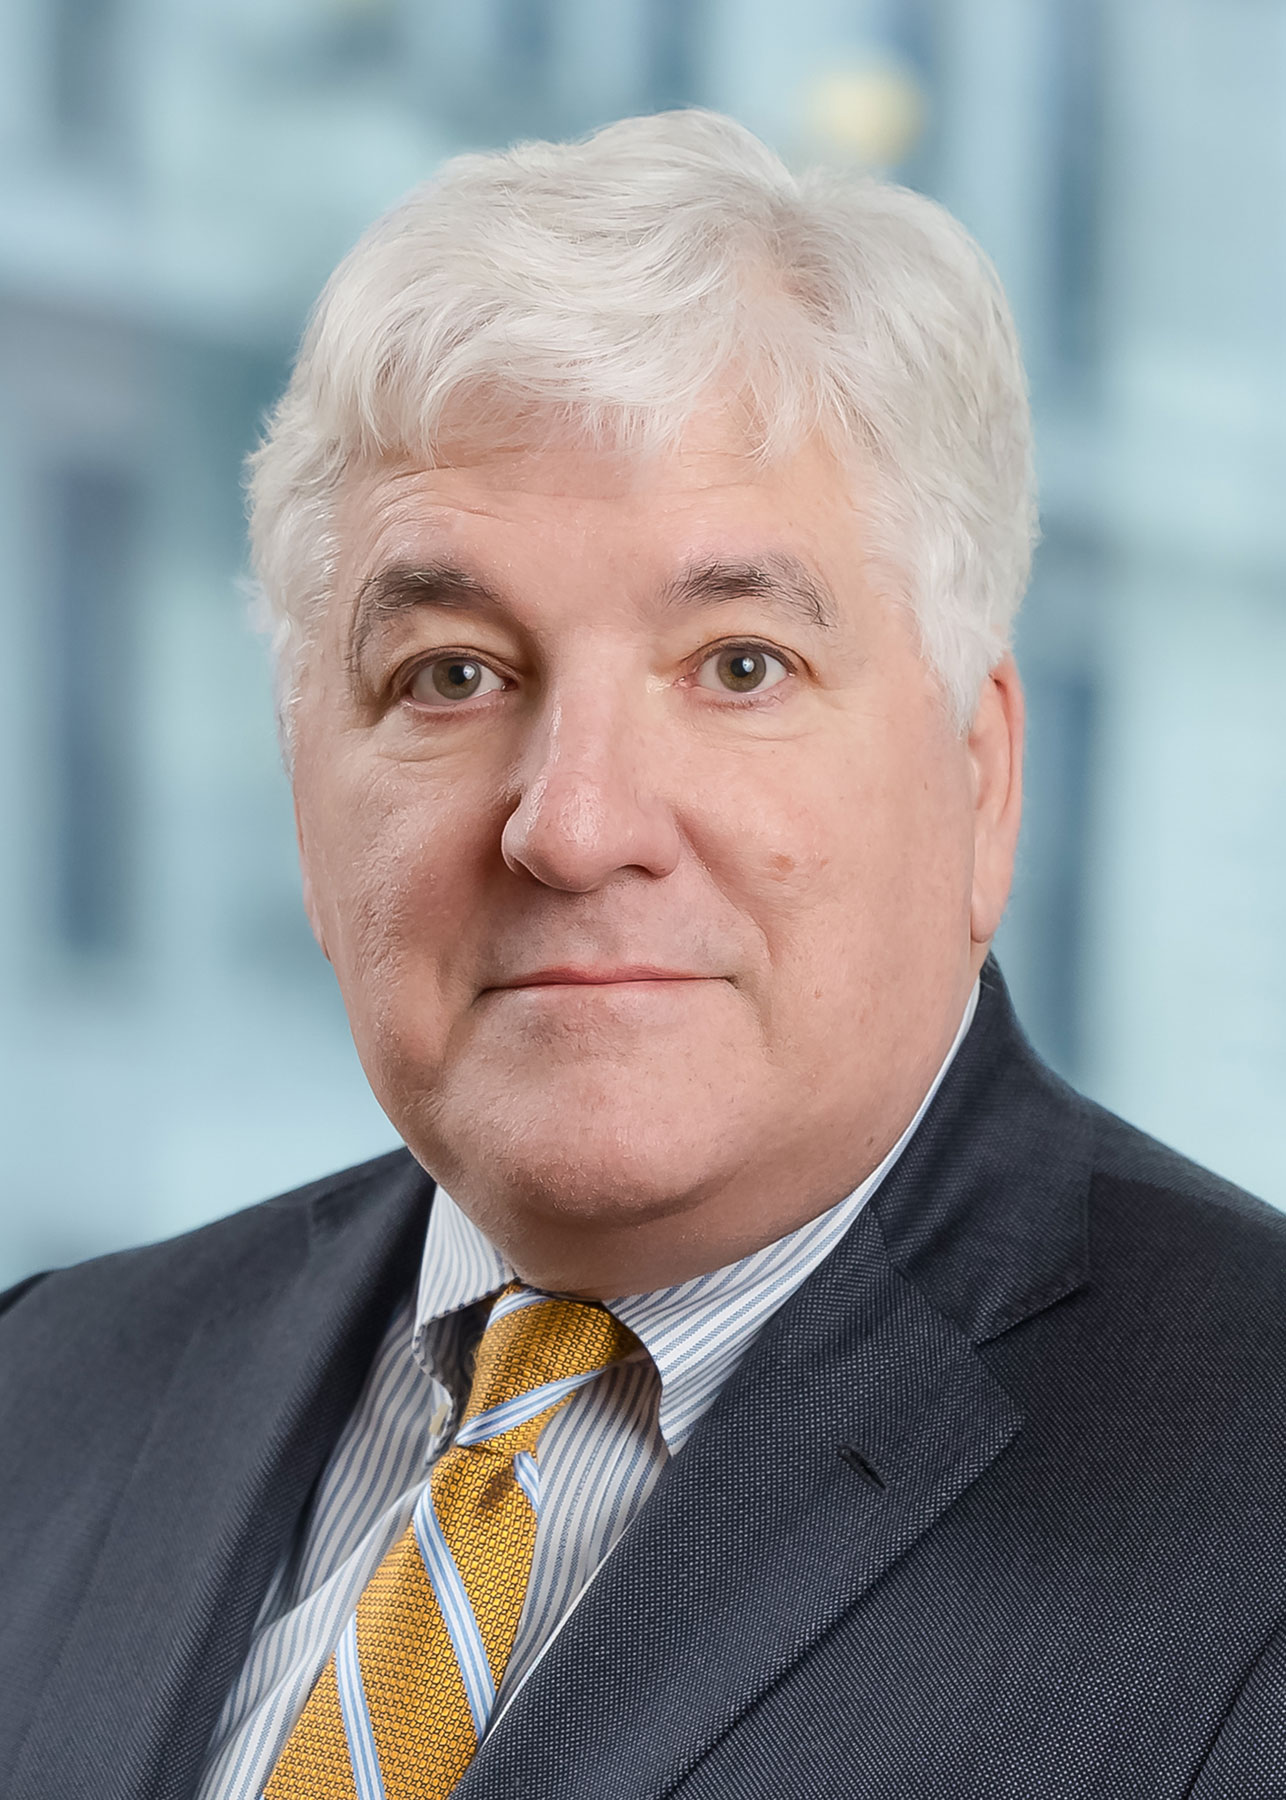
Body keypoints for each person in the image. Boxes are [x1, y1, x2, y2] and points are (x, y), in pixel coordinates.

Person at [1, 110, 1283, 1800]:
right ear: (304, 796)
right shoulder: (45, 1390)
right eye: (450, 676)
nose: (573, 824)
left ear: (977, 781)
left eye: (738, 665)